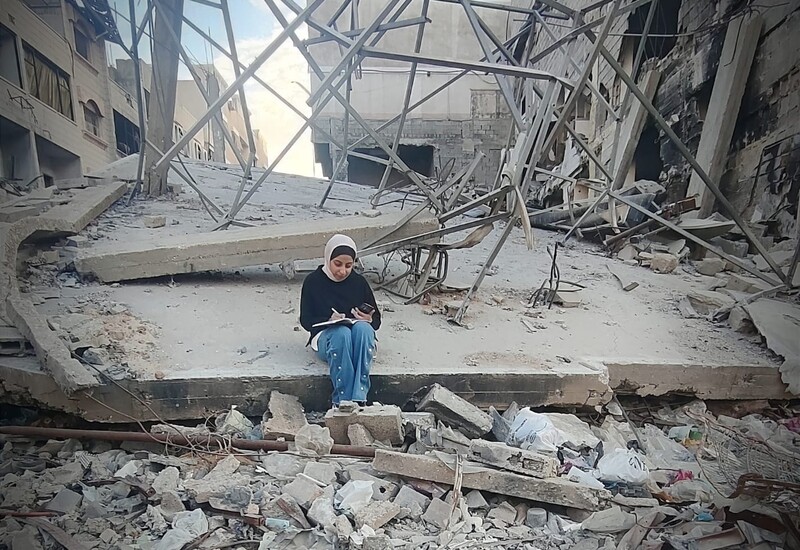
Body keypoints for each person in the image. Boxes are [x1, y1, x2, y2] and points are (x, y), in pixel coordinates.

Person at [300, 234, 381, 405]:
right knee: (341, 333)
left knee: (364, 329)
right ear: (328, 258)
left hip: (357, 340)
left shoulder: (359, 283)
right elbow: (306, 320)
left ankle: (360, 397)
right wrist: (328, 319)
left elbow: (376, 321)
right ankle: (342, 399)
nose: (342, 271)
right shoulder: (313, 282)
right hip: (329, 339)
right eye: (337, 264)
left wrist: (368, 318)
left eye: (348, 266)